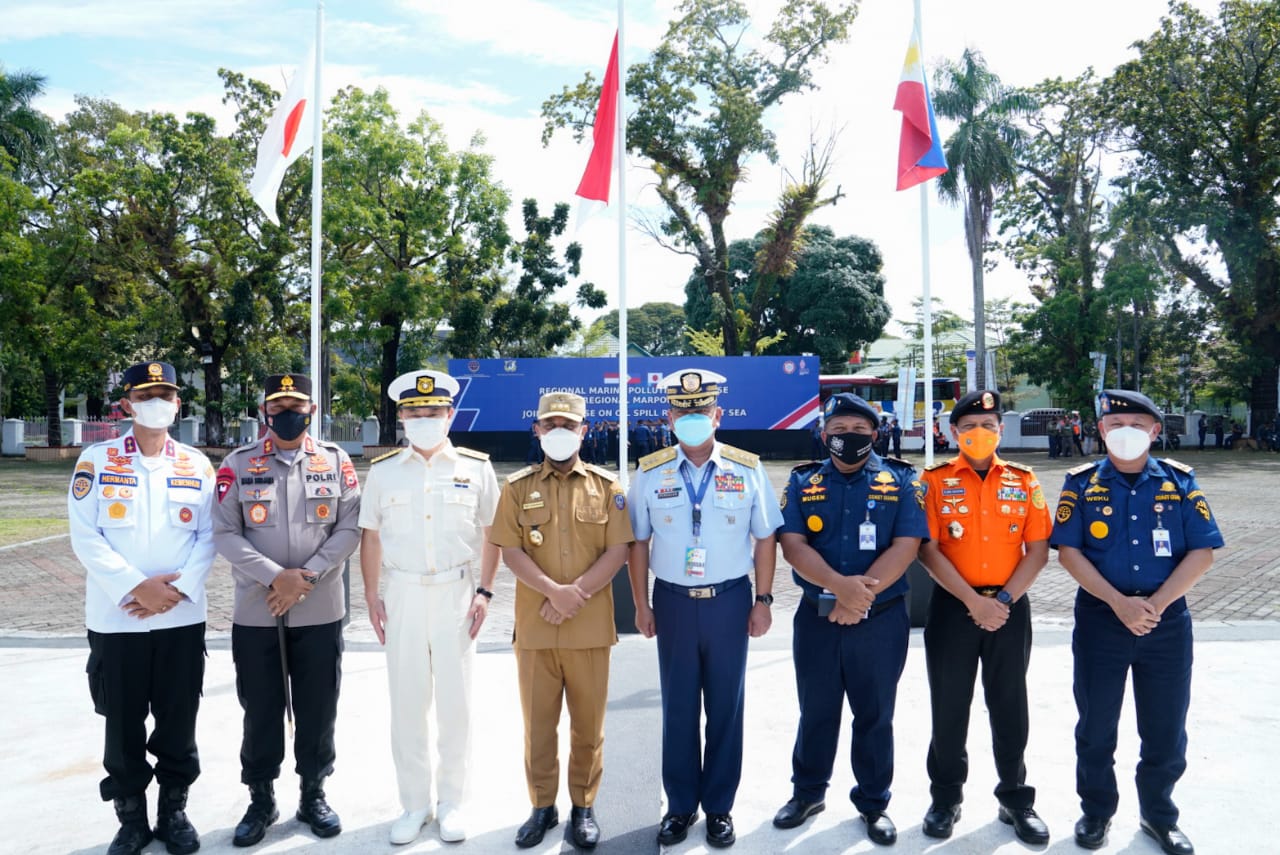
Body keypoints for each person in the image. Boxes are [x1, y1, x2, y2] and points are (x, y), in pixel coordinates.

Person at [1050, 390, 1224, 855]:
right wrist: (1118, 603)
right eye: (1115, 422)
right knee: (1096, 725)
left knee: (1166, 726)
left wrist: (1157, 605)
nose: (1125, 430)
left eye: (1137, 422)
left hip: (1164, 623)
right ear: (1101, 430)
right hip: (1101, 621)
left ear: (1154, 430)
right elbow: (1070, 553)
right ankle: (1096, 812)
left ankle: (1159, 815)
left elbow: (1201, 552)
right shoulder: (1081, 482)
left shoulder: (1179, 481)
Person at [627, 369, 782, 848]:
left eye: (700, 411)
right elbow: (637, 542)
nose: (691, 419)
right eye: (681, 411)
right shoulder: (650, 470)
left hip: (729, 601)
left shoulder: (747, 467)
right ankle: (679, 807)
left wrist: (763, 599)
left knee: (725, 706)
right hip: (671, 602)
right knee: (677, 708)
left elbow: (765, 538)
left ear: (717, 415)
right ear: (668, 417)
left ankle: (718, 807)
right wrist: (640, 604)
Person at [68, 361, 215, 855]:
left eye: (167, 394)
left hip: (181, 616)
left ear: (178, 403)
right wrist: (136, 587)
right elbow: (85, 536)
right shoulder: (97, 459)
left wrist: (178, 590)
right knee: (123, 721)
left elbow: (210, 536)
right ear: (127, 403)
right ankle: (130, 817)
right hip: (118, 617)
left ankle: (174, 810)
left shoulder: (196, 463)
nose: (159, 402)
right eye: (147, 394)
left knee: (179, 717)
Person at [771, 393, 928, 847]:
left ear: (875, 435)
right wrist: (840, 588)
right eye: (839, 431)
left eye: (859, 432)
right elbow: (793, 545)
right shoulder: (803, 481)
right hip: (817, 617)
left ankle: (874, 802)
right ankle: (807, 794)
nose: (848, 439)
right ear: (824, 435)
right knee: (816, 710)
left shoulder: (901, 480)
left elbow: (906, 546)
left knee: (875, 715)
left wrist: (858, 598)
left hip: (880, 619)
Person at [212, 374, 361, 846]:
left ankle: (313, 793)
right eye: (278, 408)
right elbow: (225, 533)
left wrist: (305, 578)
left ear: (312, 410)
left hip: (319, 608)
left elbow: (350, 529)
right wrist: (277, 578)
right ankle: (260, 798)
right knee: (260, 708)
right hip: (258, 609)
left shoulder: (336, 462)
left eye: (295, 406)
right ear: (264, 413)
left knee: (318, 707)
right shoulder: (237, 465)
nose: (286, 415)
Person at [358, 370, 501, 845]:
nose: (424, 420)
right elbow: (371, 536)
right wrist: (372, 595)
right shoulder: (382, 472)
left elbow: (492, 534)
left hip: (457, 594)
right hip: (401, 594)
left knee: (456, 704)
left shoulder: (476, 468)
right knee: (407, 703)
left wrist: (485, 590)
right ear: (401, 417)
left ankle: (453, 801)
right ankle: (415, 803)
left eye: (433, 413)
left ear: (449, 416)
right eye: (415, 413)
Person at [489, 391, 634, 850]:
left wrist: (577, 595)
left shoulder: (609, 488)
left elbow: (618, 551)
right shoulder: (516, 488)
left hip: (589, 628)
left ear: (584, 431)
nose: (559, 433)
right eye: (550, 425)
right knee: (538, 726)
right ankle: (541, 806)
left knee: (588, 726)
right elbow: (509, 551)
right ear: (537, 430)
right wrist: (555, 593)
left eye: (568, 425)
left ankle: (584, 807)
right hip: (536, 627)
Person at [916, 390, 1052, 844]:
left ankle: (1015, 798)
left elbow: (1037, 551)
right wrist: (974, 602)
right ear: (953, 433)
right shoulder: (933, 481)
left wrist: (1004, 600)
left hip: (1010, 607)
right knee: (950, 706)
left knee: (1010, 705)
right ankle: (945, 798)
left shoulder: (1024, 479)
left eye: (988, 426)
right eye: (969, 427)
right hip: (955, 608)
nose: (979, 434)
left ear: (1001, 431)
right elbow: (928, 551)